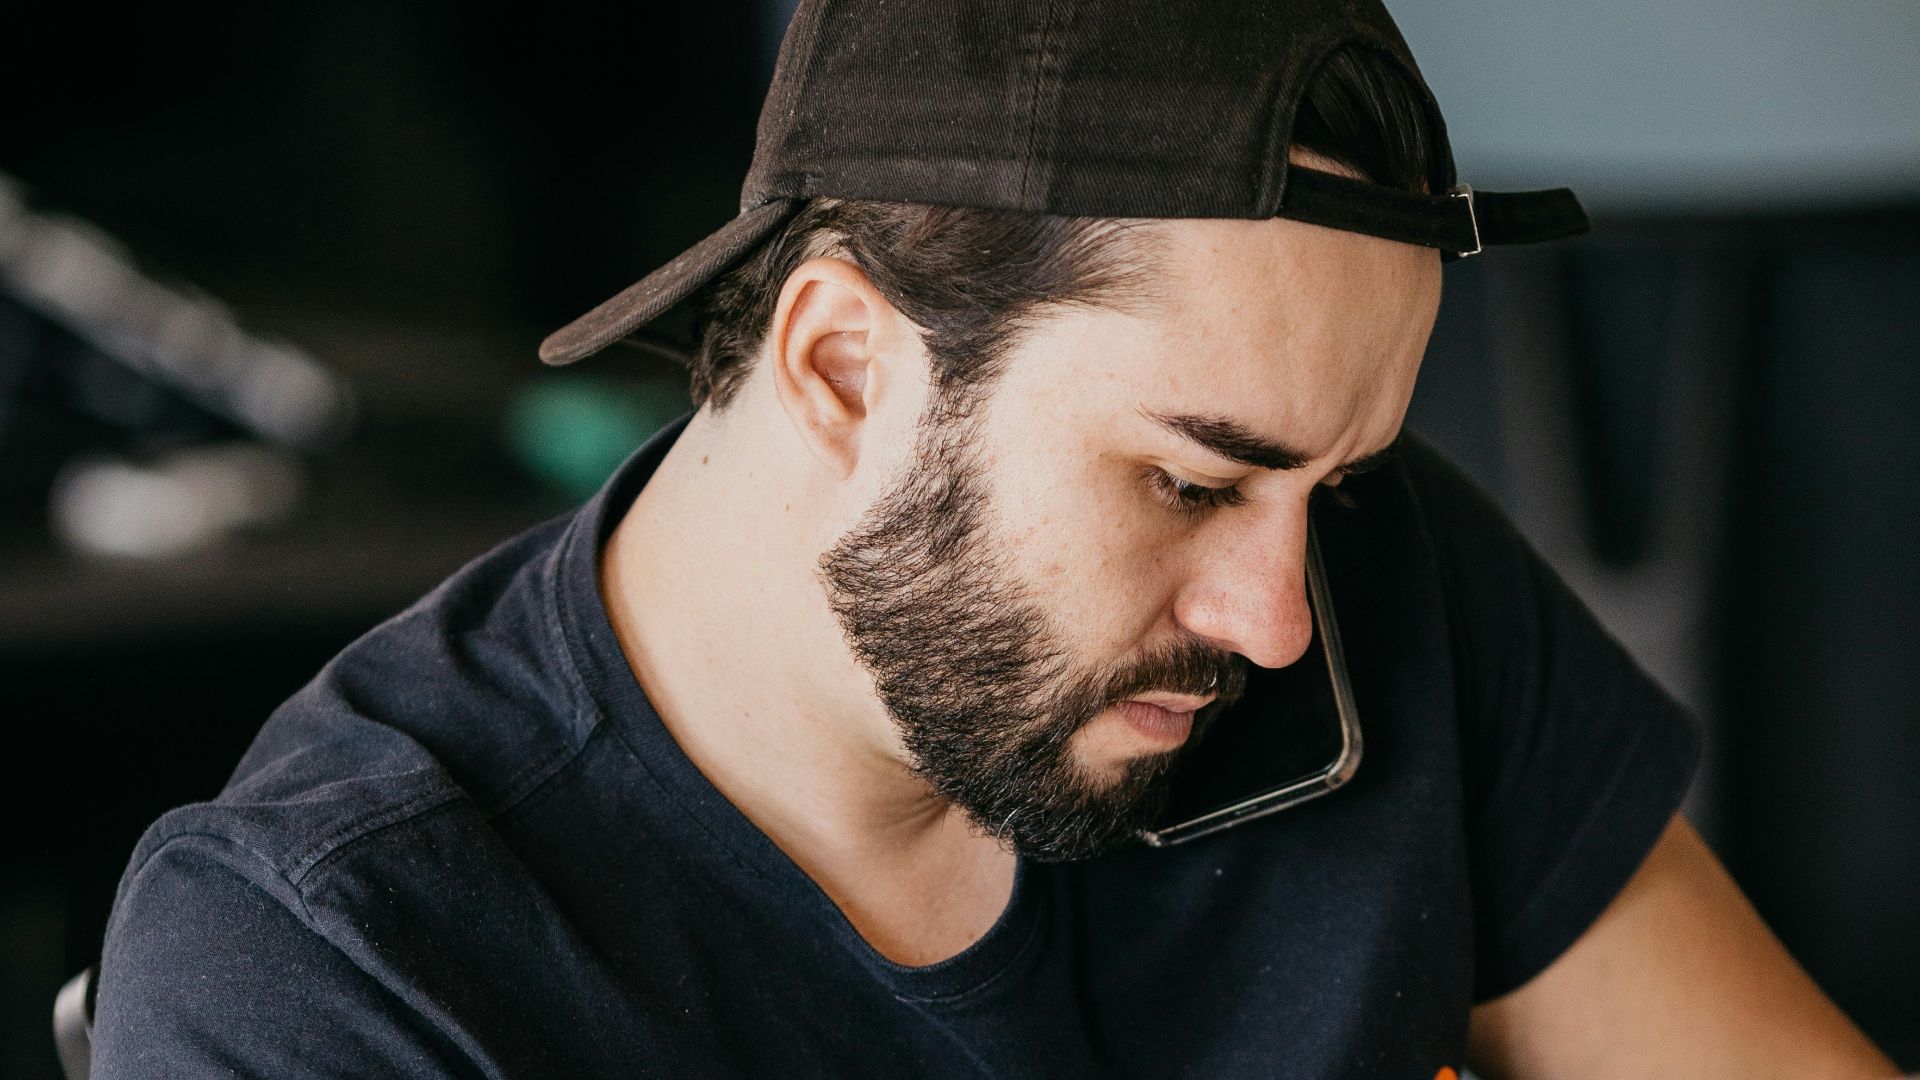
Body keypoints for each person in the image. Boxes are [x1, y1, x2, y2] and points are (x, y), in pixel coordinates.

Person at [93, 1, 1898, 1076]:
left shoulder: (1381, 592)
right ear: (843, 362)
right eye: (1190, 482)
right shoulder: (339, 961)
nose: (1281, 618)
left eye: (1330, 489)